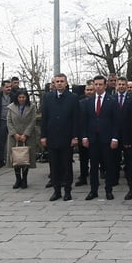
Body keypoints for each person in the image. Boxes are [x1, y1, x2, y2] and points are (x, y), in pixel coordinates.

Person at [40, 73, 80, 202]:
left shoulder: (73, 98)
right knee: (54, 166)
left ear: (66, 83)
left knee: (67, 165)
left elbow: (76, 118)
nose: (59, 83)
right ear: (54, 83)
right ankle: (56, 191)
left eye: (62, 81)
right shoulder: (48, 97)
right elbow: (44, 118)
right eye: (57, 81)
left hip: (67, 137)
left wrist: (75, 136)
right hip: (52, 137)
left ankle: (67, 191)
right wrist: (43, 136)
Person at [80, 75, 120, 200]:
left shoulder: (112, 100)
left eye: (100, 84)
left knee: (108, 165)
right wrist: (84, 137)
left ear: (105, 85)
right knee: (93, 166)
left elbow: (116, 121)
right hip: (93, 138)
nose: (98, 87)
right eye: (95, 84)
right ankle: (93, 190)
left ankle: (108, 189)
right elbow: (84, 121)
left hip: (107, 138)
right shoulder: (88, 102)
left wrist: (115, 138)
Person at [5, 89, 38, 189]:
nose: (22, 99)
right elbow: (9, 121)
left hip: (27, 136)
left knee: (25, 158)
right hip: (14, 137)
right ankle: (17, 179)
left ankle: (25, 179)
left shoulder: (31, 107)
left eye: (23, 97)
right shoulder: (11, 107)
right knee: (16, 158)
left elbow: (33, 121)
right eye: (20, 97)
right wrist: (14, 133)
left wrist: (26, 134)